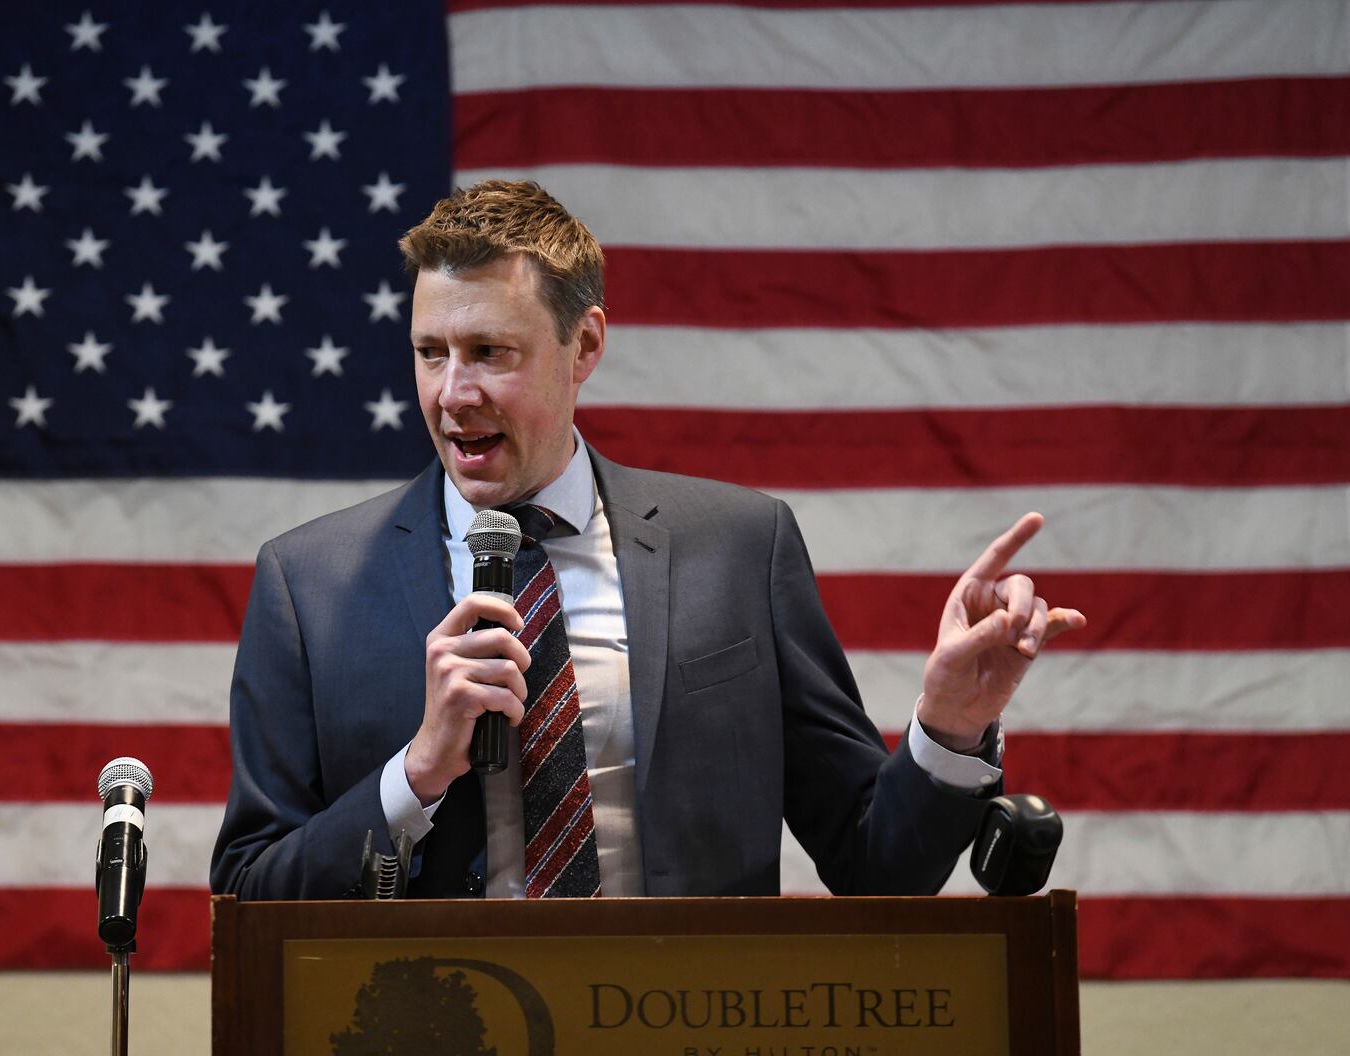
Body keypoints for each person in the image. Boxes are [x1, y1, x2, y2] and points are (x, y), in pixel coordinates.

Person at [210, 180, 1085, 900]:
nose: (453, 393)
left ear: (584, 343)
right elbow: (249, 893)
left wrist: (950, 730)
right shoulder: (309, 584)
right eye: (430, 352)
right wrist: (417, 773)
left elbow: (874, 866)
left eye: (490, 351)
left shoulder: (742, 548)